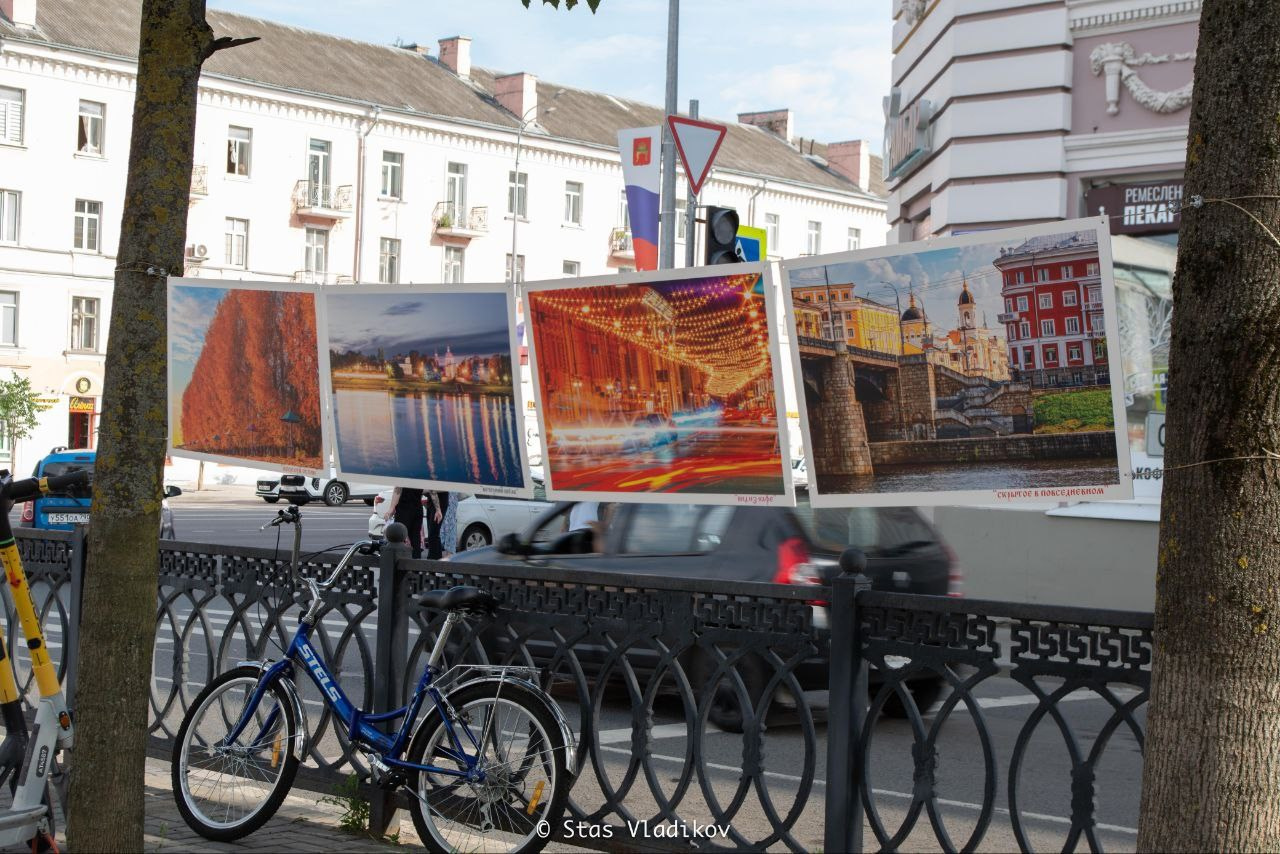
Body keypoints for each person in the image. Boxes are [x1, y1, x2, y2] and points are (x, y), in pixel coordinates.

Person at [385, 486, 425, 559]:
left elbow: (398, 489)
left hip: (404, 507)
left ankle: (399, 563)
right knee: (415, 539)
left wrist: (391, 508)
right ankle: (415, 565)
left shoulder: (404, 475)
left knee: (398, 537)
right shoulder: (421, 475)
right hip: (417, 507)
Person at [425, 491, 450, 560]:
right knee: (432, 534)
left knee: (433, 534)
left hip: (440, 501)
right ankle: (434, 560)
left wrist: (438, 509)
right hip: (431, 501)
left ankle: (434, 562)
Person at [439, 491, 461, 558]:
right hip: (447, 512)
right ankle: (448, 557)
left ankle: (448, 556)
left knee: (449, 528)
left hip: (449, 512)